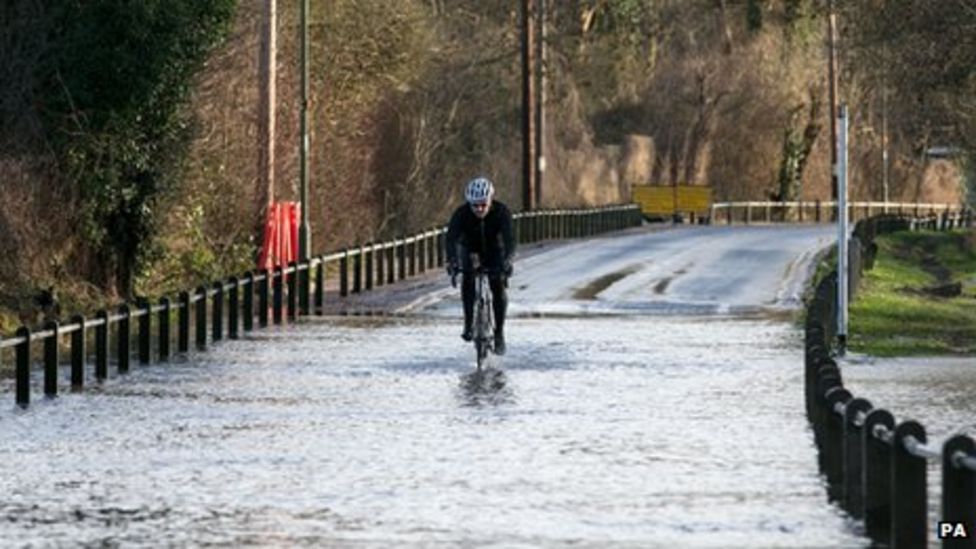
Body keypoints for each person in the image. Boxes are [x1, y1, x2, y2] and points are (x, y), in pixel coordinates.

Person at [445, 176, 515, 355]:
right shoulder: (461, 214)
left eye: (483, 204)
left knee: (497, 285)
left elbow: (510, 240)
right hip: (469, 247)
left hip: (493, 248)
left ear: (491, 201)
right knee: (468, 277)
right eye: (475, 205)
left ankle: (499, 332)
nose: (479, 209)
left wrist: (508, 260)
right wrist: (452, 261)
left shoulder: (501, 212)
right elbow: (450, 239)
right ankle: (469, 324)